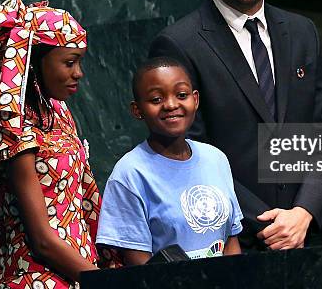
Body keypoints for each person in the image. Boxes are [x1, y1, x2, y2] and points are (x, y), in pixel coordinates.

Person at [148, 0, 322, 250]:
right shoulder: (179, 43)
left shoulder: (302, 32)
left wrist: (303, 211)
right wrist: (267, 223)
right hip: (233, 240)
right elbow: (186, 152)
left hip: (305, 234)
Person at [0, 0, 119, 288]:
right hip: (38, 278)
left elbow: (84, 200)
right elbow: (42, 240)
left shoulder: (58, 111)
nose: (79, 73)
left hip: (80, 270)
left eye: (80, 62)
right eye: (70, 63)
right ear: (34, 64)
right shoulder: (15, 126)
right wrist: (106, 283)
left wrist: (107, 262)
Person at [95, 57, 243, 265]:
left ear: (195, 100)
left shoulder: (215, 159)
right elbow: (139, 269)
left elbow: (230, 241)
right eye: (156, 99)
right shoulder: (129, 175)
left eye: (181, 95)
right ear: (137, 110)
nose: (171, 105)